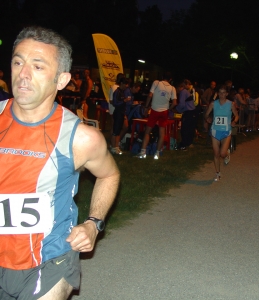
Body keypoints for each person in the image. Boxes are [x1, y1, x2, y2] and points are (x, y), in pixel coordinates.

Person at [0, 26, 120, 299]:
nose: (24, 74)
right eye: (18, 62)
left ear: (62, 79)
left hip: (50, 260)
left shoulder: (81, 138)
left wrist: (93, 223)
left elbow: (109, 175)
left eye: (38, 66)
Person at [136, 72, 177, 159]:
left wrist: (146, 107)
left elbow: (150, 95)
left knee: (147, 131)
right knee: (162, 133)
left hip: (154, 110)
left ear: (162, 77)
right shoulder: (172, 88)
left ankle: (143, 152)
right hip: (164, 112)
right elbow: (174, 102)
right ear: (170, 80)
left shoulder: (156, 83)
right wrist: (169, 108)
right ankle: (157, 153)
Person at [204, 85, 239, 181]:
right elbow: (206, 114)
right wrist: (208, 119)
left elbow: (236, 115)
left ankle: (227, 154)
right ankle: (218, 174)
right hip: (215, 130)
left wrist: (234, 121)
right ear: (217, 93)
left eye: (224, 92)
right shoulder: (213, 104)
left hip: (226, 131)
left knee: (222, 154)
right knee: (216, 154)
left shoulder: (231, 104)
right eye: (220, 92)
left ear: (227, 94)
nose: (222, 94)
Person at [110, 77, 130, 154]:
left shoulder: (122, 92)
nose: (127, 86)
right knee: (116, 130)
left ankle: (116, 147)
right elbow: (115, 103)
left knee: (118, 130)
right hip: (118, 113)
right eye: (126, 84)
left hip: (121, 113)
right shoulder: (117, 92)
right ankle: (114, 147)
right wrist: (124, 100)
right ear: (121, 83)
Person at [176, 79, 197, 150]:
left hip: (188, 112)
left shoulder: (183, 92)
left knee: (184, 129)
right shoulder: (186, 92)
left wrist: (177, 110)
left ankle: (183, 144)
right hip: (192, 112)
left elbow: (181, 104)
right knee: (190, 128)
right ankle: (189, 142)